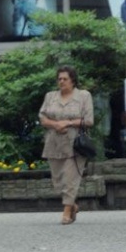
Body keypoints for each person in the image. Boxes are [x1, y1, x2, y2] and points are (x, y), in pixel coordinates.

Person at [39, 65, 94, 224]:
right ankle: (73, 205)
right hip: (53, 143)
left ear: (73, 80)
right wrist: (55, 124)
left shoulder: (83, 96)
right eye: (59, 79)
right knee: (58, 182)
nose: (61, 81)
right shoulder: (50, 96)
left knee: (70, 179)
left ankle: (66, 213)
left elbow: (89, 121)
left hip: (75, 144)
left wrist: (68, 123)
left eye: (65, 79)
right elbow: (42, 118)